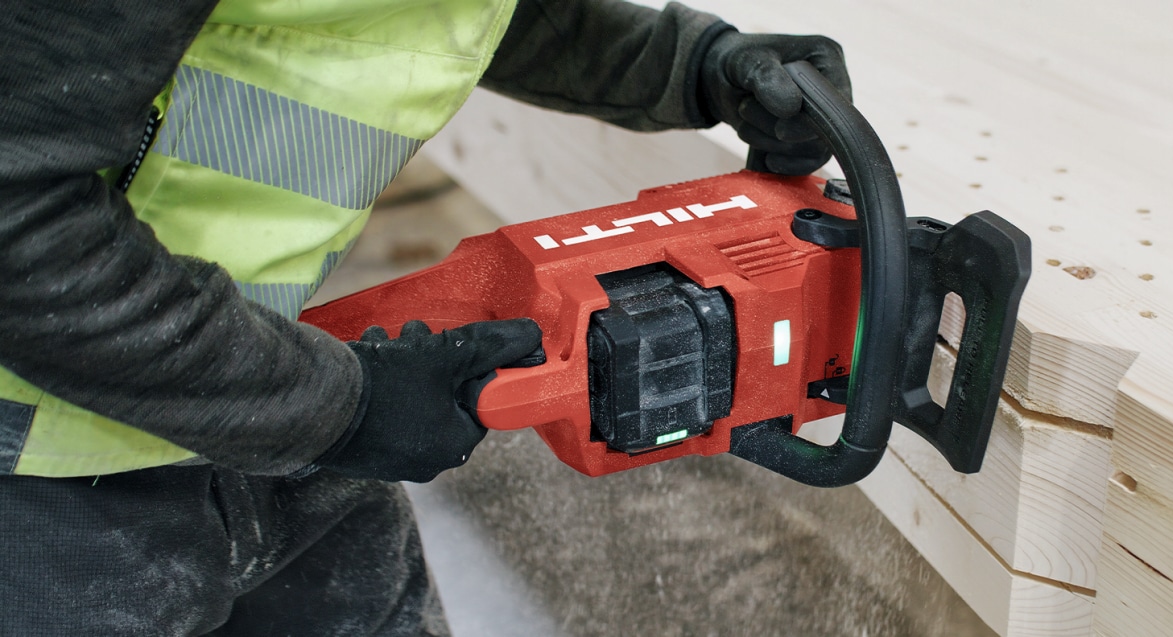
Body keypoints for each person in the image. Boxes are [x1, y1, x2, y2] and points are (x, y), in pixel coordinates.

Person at [0, 0, 851, 634]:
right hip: (42, 473)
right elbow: (17, 220)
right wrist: (344, 406)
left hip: (274, 367)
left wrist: (684, 64)